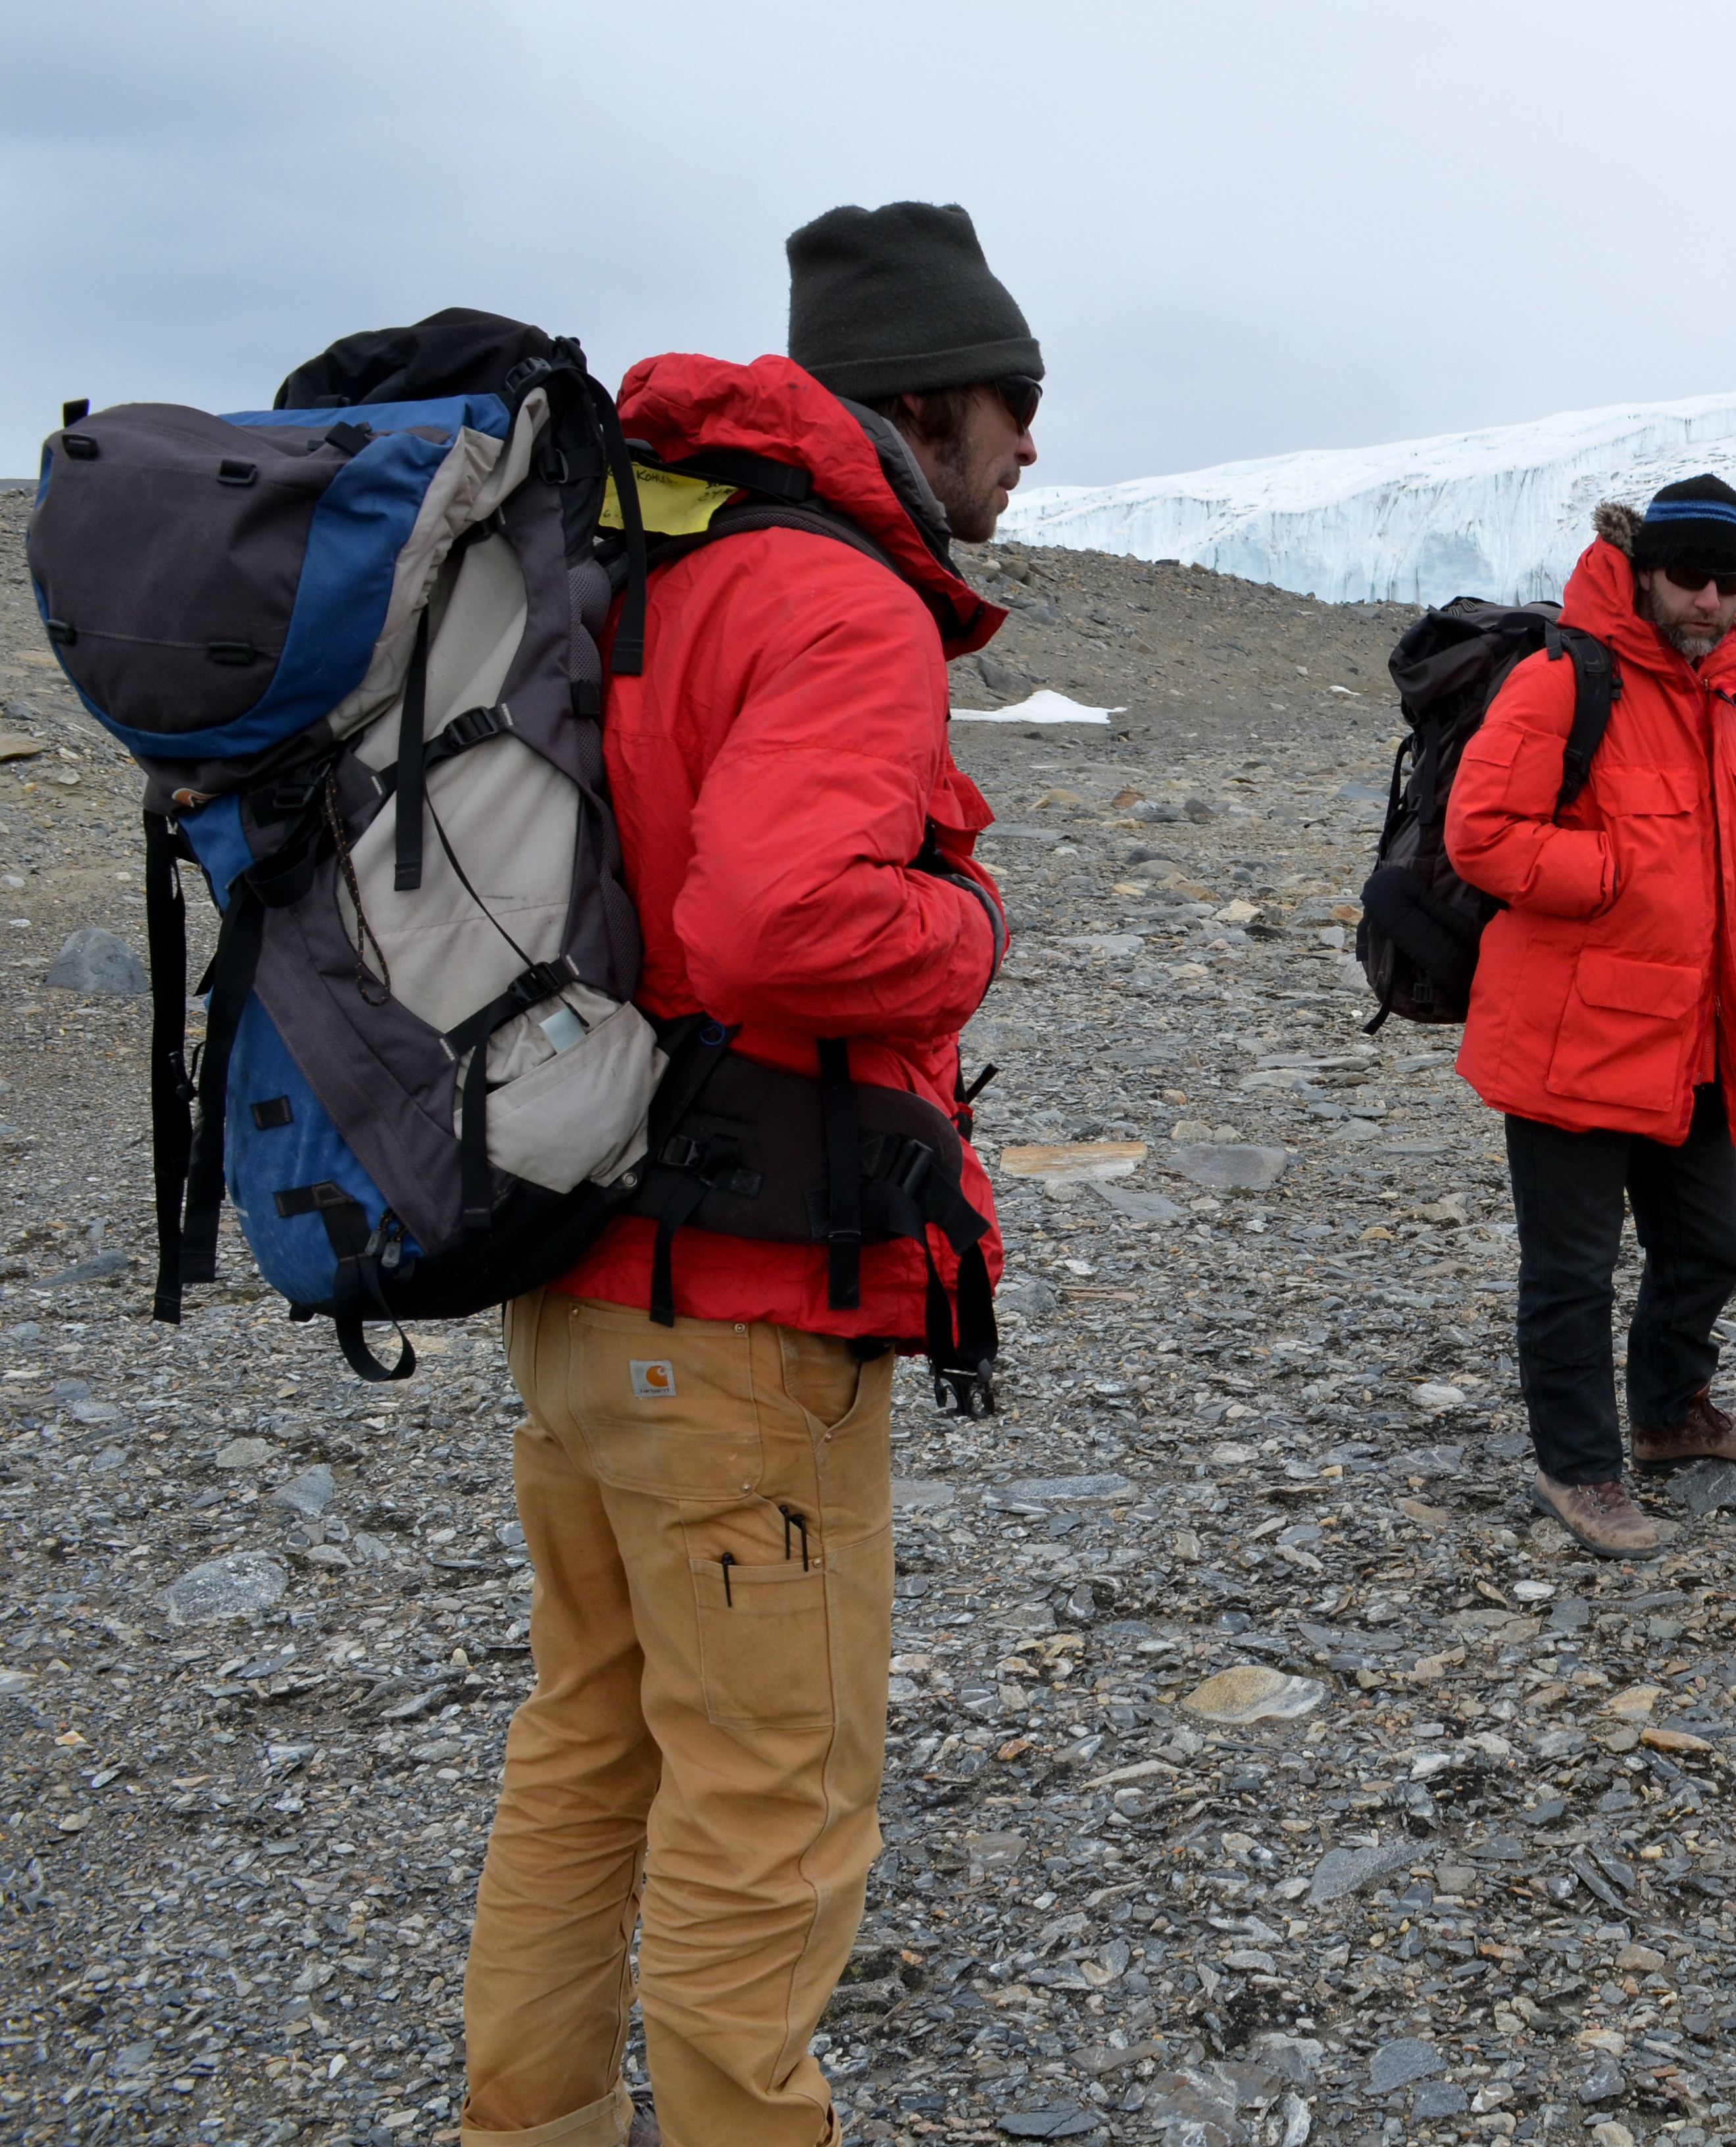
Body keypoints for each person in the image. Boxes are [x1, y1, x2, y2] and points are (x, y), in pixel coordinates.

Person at [457, 201, 1032, 2147]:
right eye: (1016, 407)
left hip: (570, 1260)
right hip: (743, 1319)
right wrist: (972, 929)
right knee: (765, 1799)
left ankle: (526, 2128)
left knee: (591, 1741)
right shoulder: (839, 595)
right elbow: (787, 921)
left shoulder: (642, 555)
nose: (1033, 449)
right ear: (931, 405)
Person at [1444, 476, 1736, 1559]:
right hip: (1571, 1032)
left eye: (1733, 582)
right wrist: (1615, 871)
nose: (1712, 601)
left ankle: (1666, 1414)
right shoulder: (1568, 678)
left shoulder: (1724, 696)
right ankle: (1581, 1465)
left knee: (1711, 1240)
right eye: (1693, 578)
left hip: (1689, 1028)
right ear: (1645, 570)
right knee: (1573, 1269)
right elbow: (1482, 832)